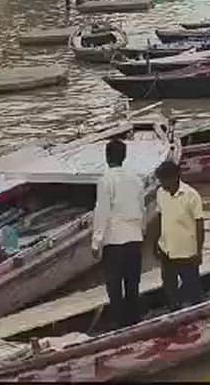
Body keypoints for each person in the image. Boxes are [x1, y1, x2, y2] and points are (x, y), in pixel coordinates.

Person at [92, 138, 146, 329]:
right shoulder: (136, 179)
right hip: (134, 238)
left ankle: (118, 323)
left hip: (114, 241)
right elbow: (142, 209)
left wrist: (96, 242)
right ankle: (134, 321)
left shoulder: (105, 180)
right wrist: (142, 231)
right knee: (132, 283)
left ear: (107, 157)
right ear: (124, 156)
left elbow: (102, 212)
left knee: (114, 286)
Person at [147, 160, 204, 310]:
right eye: (161, 181)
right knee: (169, 287)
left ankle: (196, 313)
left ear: (175, 177)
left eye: (164, 181)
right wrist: (155, 243)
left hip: (187, 252)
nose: (163, 185)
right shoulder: (160, 193)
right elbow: (160, 218)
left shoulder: (191, 196)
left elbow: (199, 224)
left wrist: (199, 251)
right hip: (167, 249)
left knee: (192, 289)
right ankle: (174, 309)